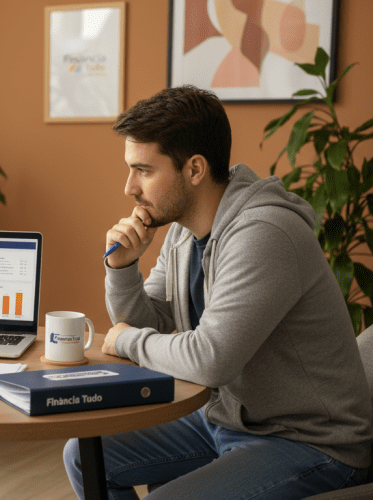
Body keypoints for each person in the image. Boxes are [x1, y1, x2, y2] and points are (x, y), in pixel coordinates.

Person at [63, 85, 372, 499]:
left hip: (309, 440)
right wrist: (122, 269)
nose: (129, 187)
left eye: (143, 170)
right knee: (84, 455)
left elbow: (209, 359)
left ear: (194, 169)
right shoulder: (182, 232)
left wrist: (127, 340)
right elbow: (146, 322)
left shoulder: (265, 233)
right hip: (227, 418)